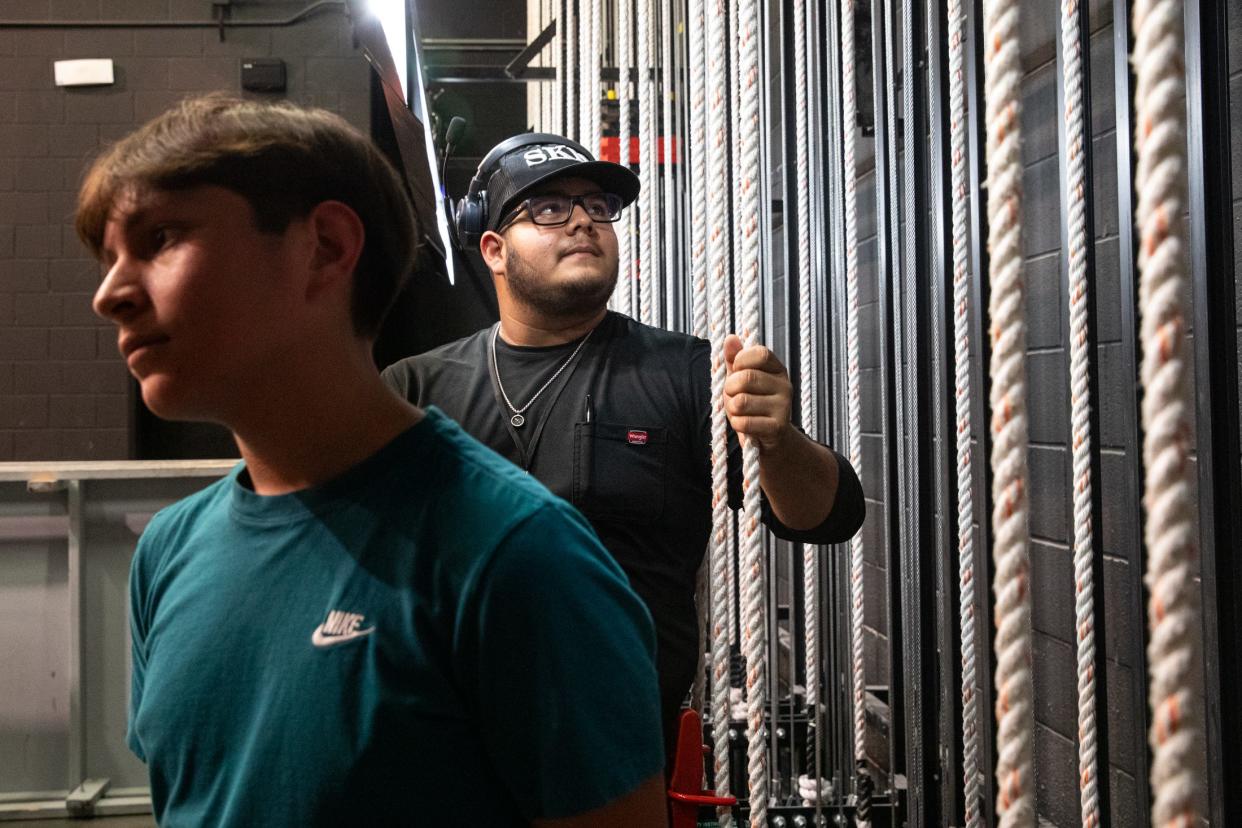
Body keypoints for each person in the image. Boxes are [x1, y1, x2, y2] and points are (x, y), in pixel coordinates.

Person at [80, 97, 668, 827]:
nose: (111, 296)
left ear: (325, 247)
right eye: (108, 259)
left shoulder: (519, 557)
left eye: (160, 238)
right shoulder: (167, 553)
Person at [381, 133, 867, 761]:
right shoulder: (417, 387)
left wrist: (778, 441)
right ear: (495, 251)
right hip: (447, 745)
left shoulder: (688, 374)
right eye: (549, 207)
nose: (583, 220)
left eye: (596, 206)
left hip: (624, 747)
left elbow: (828, 517)